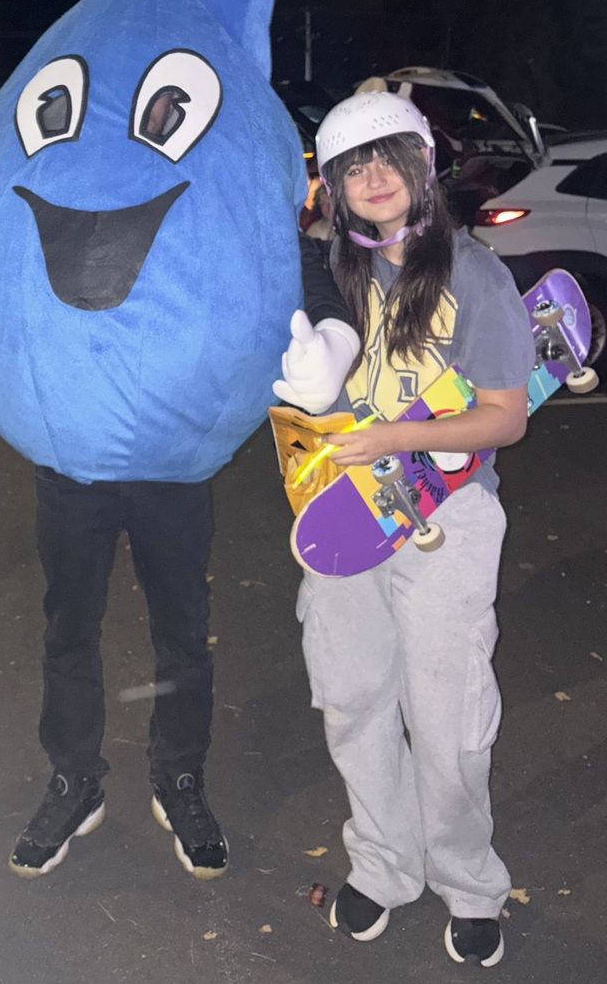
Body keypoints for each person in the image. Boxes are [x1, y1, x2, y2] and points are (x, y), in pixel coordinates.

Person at [7, 236, 357, 882]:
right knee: (70, 630)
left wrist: (333, 328)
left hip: (173, 459)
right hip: (72, 458)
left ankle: (179, 775)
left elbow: (276, 244)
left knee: (182, 632)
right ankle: (74, 779)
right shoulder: (72, 168)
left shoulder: (190, 176)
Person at [298, 82, 534, 967]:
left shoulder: (472, 272)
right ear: (335, 185)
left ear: (421, 167)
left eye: (387, 157)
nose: (373, 176)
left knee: (448, 713)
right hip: (344, 519)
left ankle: (469, 879)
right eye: (354, 164)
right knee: (354, 697)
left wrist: (402, 435)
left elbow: (506, 414)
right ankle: (386, 862)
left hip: (450, 512)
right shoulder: (327, 270)